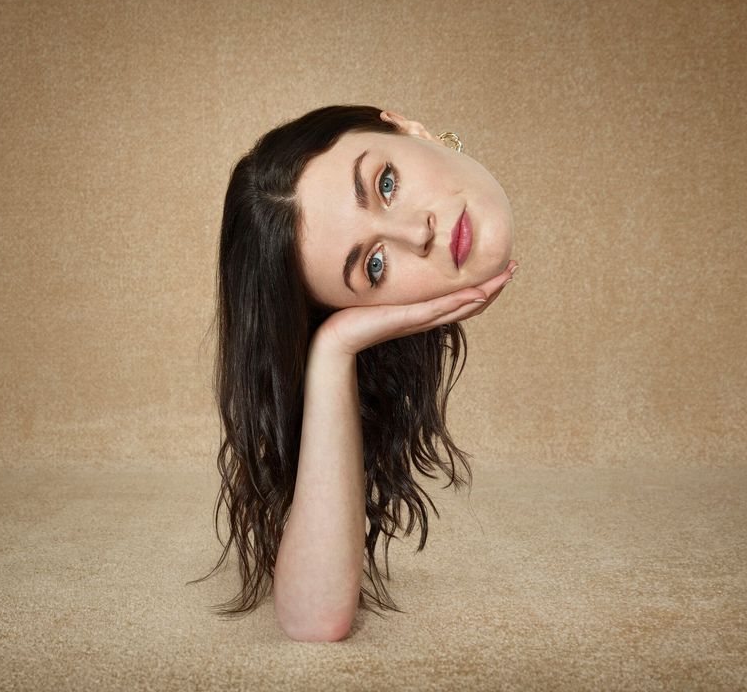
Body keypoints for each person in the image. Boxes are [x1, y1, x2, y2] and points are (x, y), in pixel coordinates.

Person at [188, 104, 518, 641]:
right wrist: (334, 351)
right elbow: (315, 619)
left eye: (385, 182)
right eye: (374, 266)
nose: (418, 234)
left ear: (410, 128)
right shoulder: (352, 335)